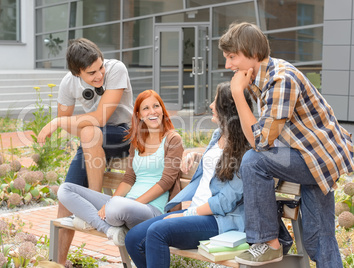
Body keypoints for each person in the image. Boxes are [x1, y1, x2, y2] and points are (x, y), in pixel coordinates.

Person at [219, 22, 354, 267]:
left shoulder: (281, 80)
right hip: (305, 154)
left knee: (253, 162)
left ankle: (270, 243)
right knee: (320, 240)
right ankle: (275, 240)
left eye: (232, 57)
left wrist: (237, 94)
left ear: (253, 53)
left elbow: (260, 141)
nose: (228, 65)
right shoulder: (263, 77)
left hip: (317, 158)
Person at [124, 82, 253, 268]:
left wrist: (187, 214)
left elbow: (225, 202)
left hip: (218, 219)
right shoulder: (218, 135)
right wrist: (195, 155)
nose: (210, 106)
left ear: (226, 109)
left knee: (157, 232)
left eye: (215, 102)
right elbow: (216, 164)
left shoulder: (246, 150)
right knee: (133, 238)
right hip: (195, 211)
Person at [37, 38, 133, 265]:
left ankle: (95, 207)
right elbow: (74, 126)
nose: (99, 75)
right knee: (64, 197)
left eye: (100, 67)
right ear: (77, 72)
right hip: (92, 140)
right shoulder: (68, 84)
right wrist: (64, 123)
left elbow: (100, 118)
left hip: (124, 134)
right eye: (92, 73)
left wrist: (57, 123)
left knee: (89, 130)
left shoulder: (116, 69)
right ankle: (58, 263)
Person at [57, 89, 184, 248]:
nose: (152, 112)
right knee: (65, 190)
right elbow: (129, 179)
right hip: (125, 205)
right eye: (146, 108)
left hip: (152, 210)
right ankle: (110, 230)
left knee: (116, 208)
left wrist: (128, 204)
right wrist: (110, 202)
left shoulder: (173, 139)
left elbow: (166, 182)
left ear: (163, 110)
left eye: (156, 106)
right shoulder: (137, 141)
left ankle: (92, 219)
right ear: (139, 115)